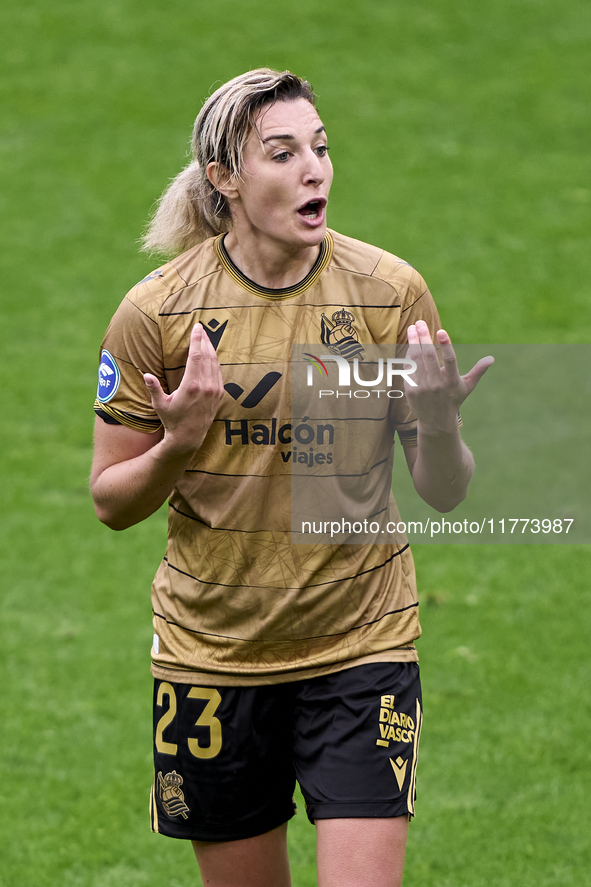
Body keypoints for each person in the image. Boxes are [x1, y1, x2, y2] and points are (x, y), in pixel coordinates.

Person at [90, 68, 492, 887]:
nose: (314, 168)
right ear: (224, 180)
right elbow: (110, 502)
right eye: (282, 152)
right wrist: (177, 443)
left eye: (320, 147)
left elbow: (444, 488)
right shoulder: (156, 312)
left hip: (361, 645)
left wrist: (441, 422)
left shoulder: (386, 293)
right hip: (214, 658)